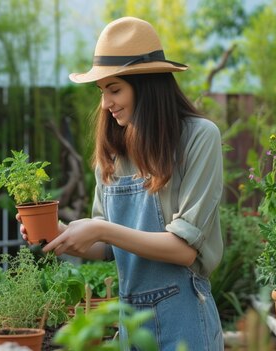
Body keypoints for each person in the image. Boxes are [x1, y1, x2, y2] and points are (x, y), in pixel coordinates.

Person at [19, 17, 224, 350]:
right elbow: (106, 249)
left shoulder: (198, 139)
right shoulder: (113, 151)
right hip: (131, 323)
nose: (105, 103)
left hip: (184, 316)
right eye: (102, 91)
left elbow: (184, 250)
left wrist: (101, 230)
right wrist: (58, 232)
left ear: (147, 86)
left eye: (114, 89)